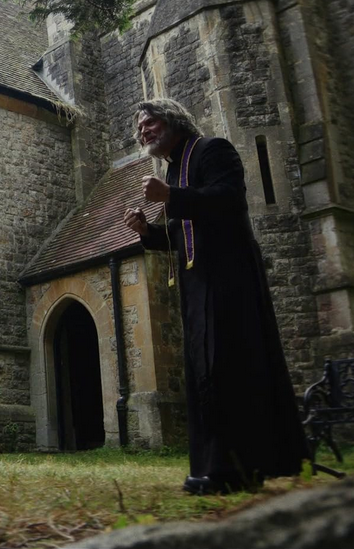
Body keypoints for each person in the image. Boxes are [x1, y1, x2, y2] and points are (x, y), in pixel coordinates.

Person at [123, 98, 308, 495]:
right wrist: (147, 232)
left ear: (173, 120)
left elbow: (228, 199)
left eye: (149, 123)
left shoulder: (212, 150)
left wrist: (170, 196)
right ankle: (212, 465)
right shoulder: (174, 169)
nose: (143, 132)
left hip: (230, 276)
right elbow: (183, 235)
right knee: (204, 372)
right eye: (139, 128)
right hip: (197, 282)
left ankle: (237, 469)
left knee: (230, 366)